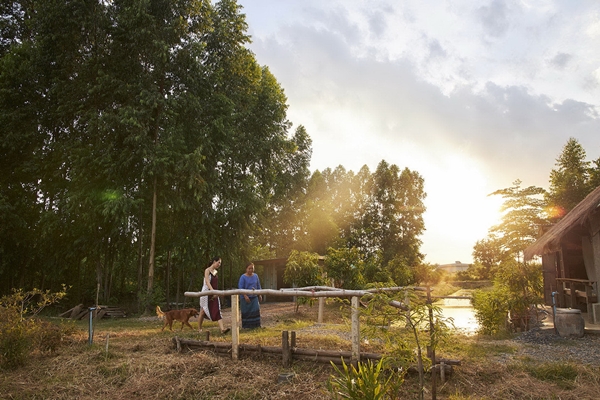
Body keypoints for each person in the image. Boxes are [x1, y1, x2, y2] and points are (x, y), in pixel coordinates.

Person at [198, 257, 230, 334]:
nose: (219, 264)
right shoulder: (207, 270)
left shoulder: (215, 272)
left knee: (217, 309)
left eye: (220, 263)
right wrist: (212, 291)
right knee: (203, 311)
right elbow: (207, 282)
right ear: (214, 261)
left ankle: (222, 329)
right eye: (218, 262)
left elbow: (215, 283)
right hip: (206, 293)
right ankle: (199, 329)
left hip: (214, 292)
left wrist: (216, 292)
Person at [238, 262, 262, 329]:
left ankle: (256, 325)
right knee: (246, 312)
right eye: (249, 268)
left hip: (254, 297)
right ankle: (246, 326)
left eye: (252, 268)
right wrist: (245, 296)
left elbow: (258, 286)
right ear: (246, 269)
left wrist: (259, 295)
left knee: (256, 310)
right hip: (245, 298)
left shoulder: (256, 276)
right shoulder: (243, 277)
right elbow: (240, 287)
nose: (251, 270)